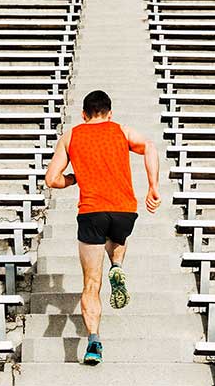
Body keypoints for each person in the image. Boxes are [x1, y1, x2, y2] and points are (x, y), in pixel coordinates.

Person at [42, 89, 160, 365]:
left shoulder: (72, 136)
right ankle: (116, 265)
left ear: (83, 115)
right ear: (109, 113)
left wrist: (72, 180)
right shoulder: (121, 130)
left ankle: (93, 342)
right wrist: (153, 187)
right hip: (124, 210)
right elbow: (151, 147)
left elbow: (51, 179)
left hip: (91, 212)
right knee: (116, 239)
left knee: (91, 284)